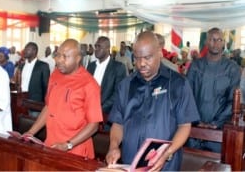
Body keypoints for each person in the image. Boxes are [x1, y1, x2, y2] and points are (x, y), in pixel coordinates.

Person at [105, 31, 199, 171]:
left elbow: (185, 126)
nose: (141, 63)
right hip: (130, 163)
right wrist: (113, 146)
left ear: (160, 53)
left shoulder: (178, 84)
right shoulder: (126, 85)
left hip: (165, 164)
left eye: (147, 57)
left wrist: (166, 153)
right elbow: (118, 124)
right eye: (137, 58)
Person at [25, 39, 103, 159]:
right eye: (58, 55)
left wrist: (68, 145)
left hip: (76, 150)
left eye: (65, 56)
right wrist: (30, 133)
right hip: (51, 145)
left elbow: (93, 125)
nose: (59, 60)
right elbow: (49, 107)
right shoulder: (55, 75)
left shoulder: (89, 84)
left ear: (78, 58)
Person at [186, 27, 241, 152]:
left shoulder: (232, 68)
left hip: (219, 131)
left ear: (224, 43)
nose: (215, 43)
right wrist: (197, 121)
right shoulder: (196, 66)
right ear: (206, 42)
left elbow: (232, 100)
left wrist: (215, 123)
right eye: (212, 39)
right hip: (194, 128)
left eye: (219, 40)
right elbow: (187, 95)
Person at [87, 36, 126, 130]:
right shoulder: (91, 66)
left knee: (103, 143)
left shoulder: (118, 67)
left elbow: (118, 93)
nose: (96, 49)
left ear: (108, 48)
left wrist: (100, 108)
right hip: (88, 114)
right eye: (96, 46)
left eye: (99, 46)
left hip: (107, 116)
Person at [16, 42, 50, 118]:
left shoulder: (43, 66)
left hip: (35, 103)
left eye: (27, 49)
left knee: (33, 124)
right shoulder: (22, 65)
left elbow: (46, 86)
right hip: (22, 101)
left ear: (34, 51)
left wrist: (44, 104)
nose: (24, 51)